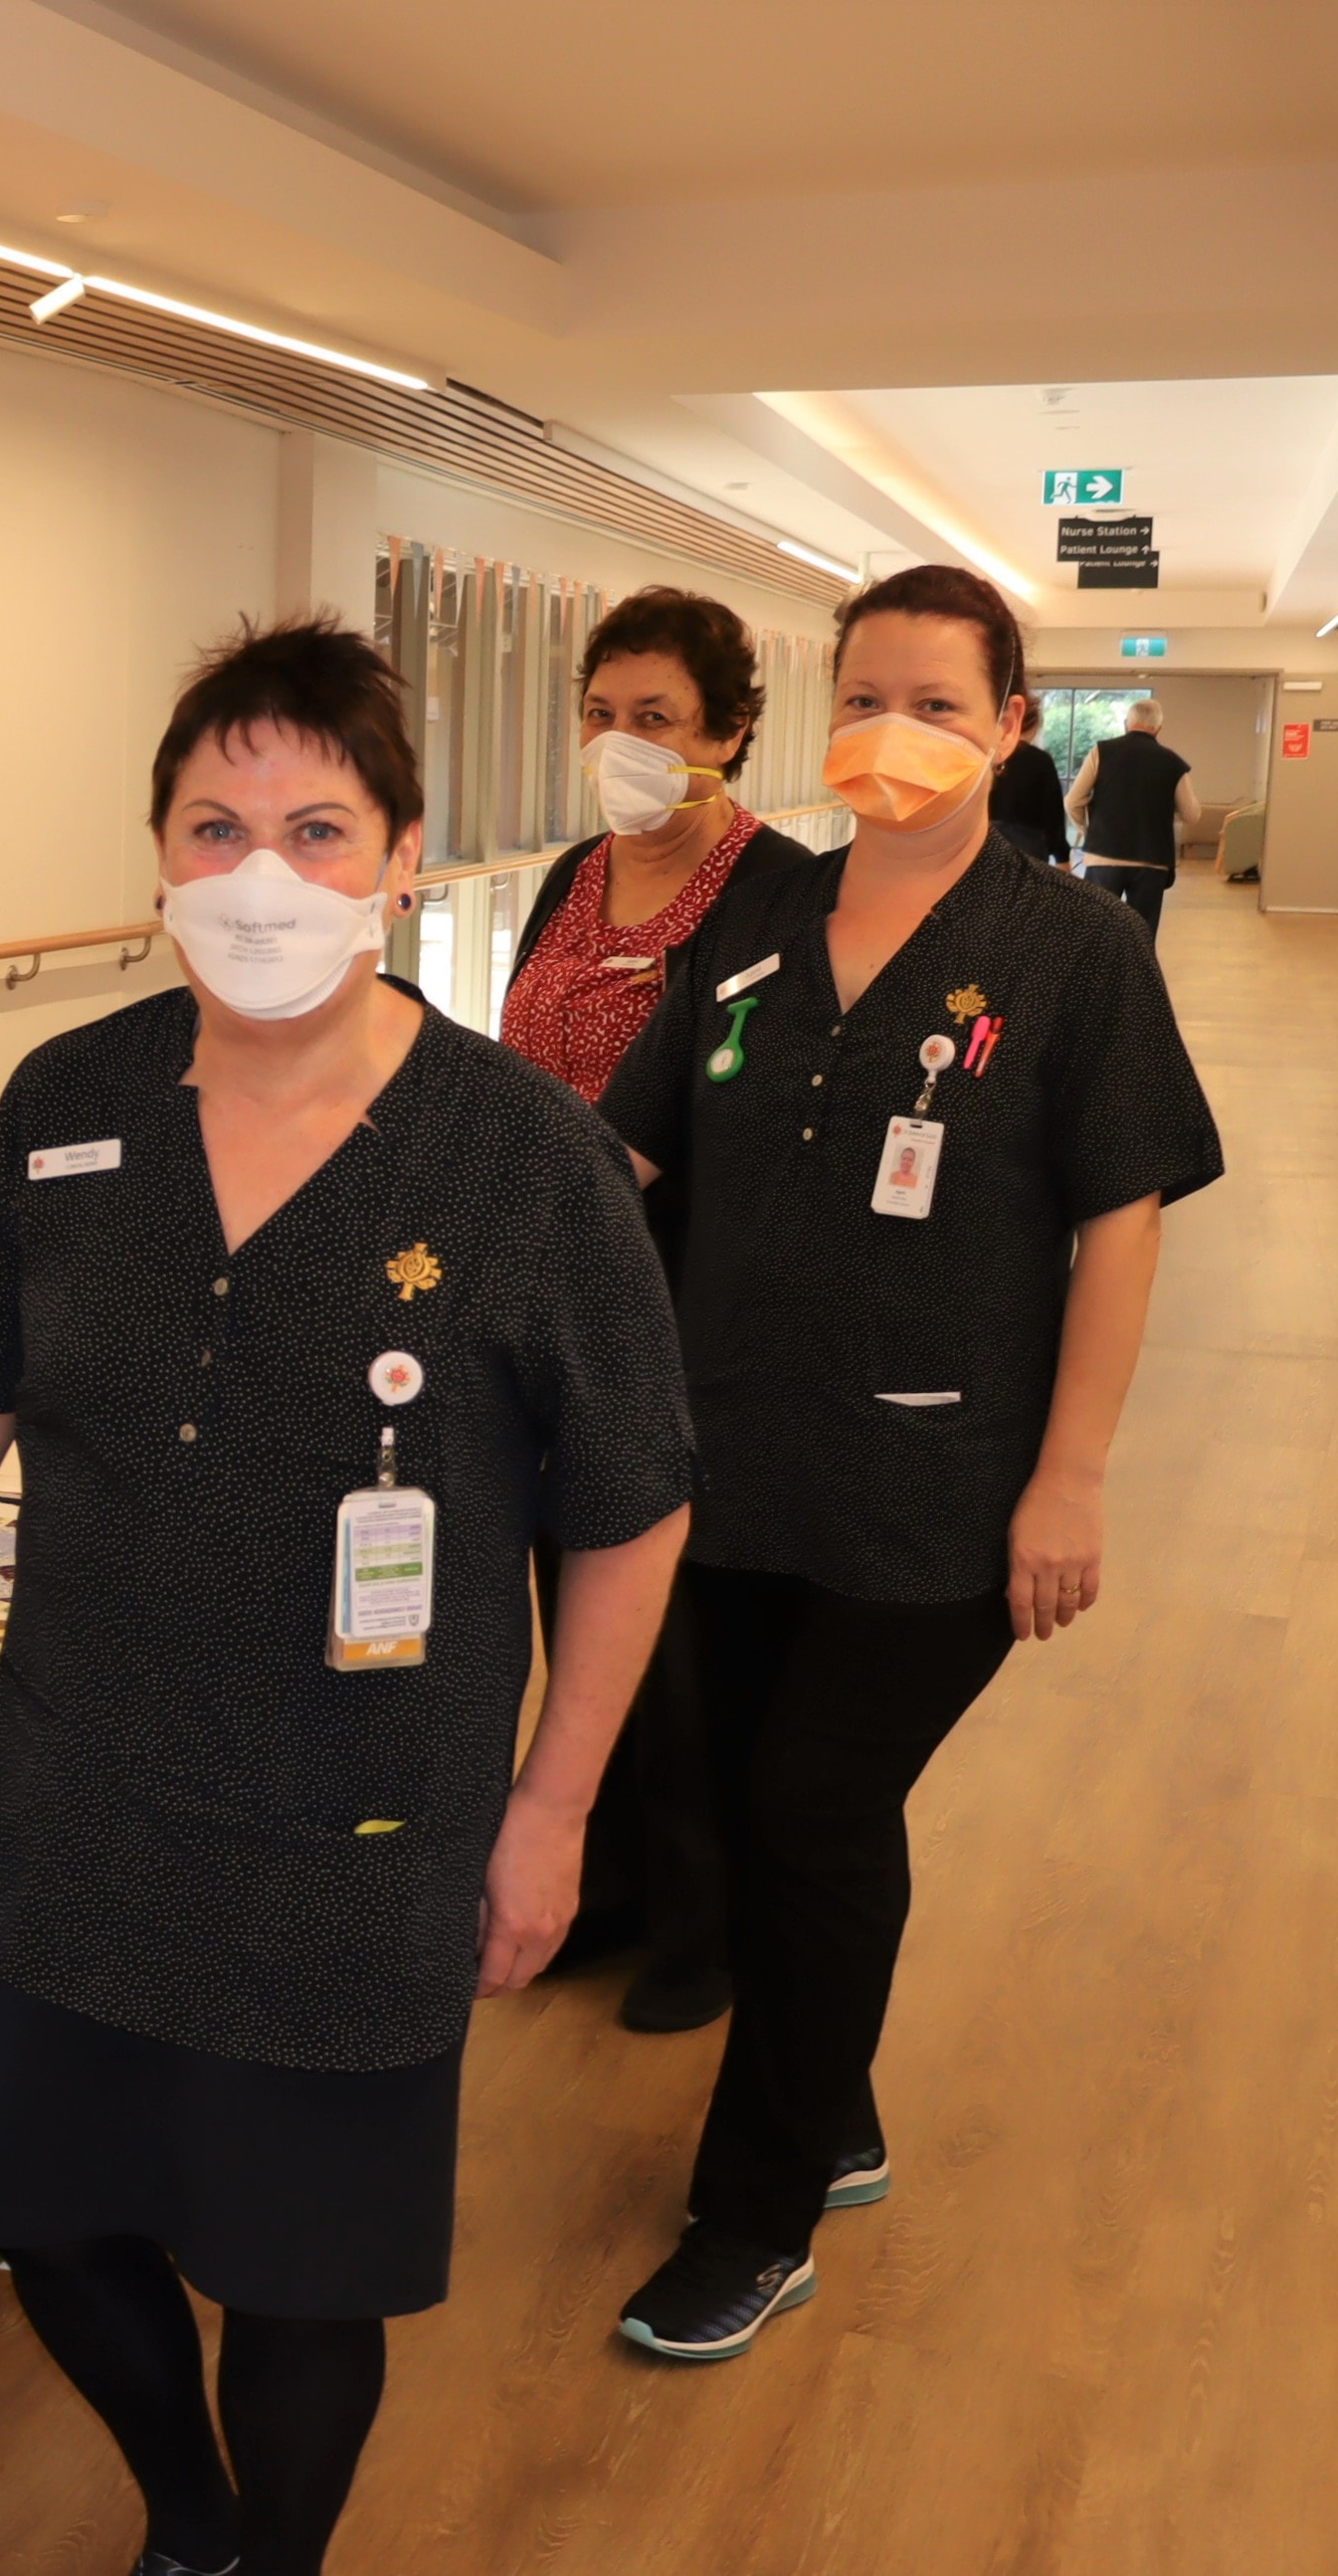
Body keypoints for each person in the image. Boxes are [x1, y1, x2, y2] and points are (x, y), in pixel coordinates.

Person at [0, 619, 696, 2576]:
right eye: (213, 825)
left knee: (305, 2280)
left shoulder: (523, 1159)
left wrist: (553, 1803)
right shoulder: (71, 1104)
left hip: (366, 1825)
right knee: (54, 2216)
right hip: (92, 1797)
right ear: (153, 856)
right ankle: (191, 2516)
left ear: (402, 856)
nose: (259, 876)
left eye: (316, 828)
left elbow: (630, 1512)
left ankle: (271, 2563)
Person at [598, 566, 1222, 2363]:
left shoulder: (1070, 950)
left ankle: (757, 2208)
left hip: (934, 1483)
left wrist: (1072, 1476)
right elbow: (637, 1144)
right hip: (722, 1452)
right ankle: (830, 2100)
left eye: (938, 701)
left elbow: (1118, 1220)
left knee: (808, 1804)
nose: (895, 727)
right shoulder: (758, 909)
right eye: (864, 692)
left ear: (1011, 727)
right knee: (752, 1798)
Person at [497, 586, 817, 2036]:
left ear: (729, 735)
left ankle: (705, 1922)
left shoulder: (774, 889)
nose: (619, 743)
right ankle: (603, 1883)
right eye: (602, 714)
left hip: (682, 1299)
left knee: (676, 1631)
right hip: (542, 1294)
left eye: (656, 720)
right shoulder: (572, 873)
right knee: (575, 1607)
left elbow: (747, 1105)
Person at [1065, 694, 1200, 938]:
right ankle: (1136, 977)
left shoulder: (1101, 751)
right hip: (1152, 860)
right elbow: (1192, 815)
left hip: (1103, 857)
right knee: (1142, 935)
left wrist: (1088, 830)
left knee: (1098, 932)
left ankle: (1098, 976)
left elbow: (1073, 800)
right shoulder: (1173, 762)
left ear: (1127, 723)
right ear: (1159, 728)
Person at [985, 711, 1072, 865]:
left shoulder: (986, 756)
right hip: (1029, 846)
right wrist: (1061, 856)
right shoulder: (1040, 760)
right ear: (1033, 727)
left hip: (985, 842)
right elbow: (1052, 812)